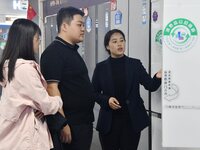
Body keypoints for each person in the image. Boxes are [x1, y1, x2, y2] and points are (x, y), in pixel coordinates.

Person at [92, 29, 162, 150]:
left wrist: (158, 77)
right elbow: (93, 93)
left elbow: (150, 85)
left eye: (122, 40)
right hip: (109, 122)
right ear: (107, 46)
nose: (119, 44)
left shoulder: (135, 64)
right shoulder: (101, 68)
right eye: (114, 41)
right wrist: (107, 100)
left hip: (131, 122)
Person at [0, 19, 63, 150]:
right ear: (26, 40)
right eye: (37, 38)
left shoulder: (9, 66)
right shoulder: (25, 69)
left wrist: (37, 106)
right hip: (26, 136)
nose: (39, 42)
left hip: (13, 134)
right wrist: (58, 100)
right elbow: (46, 104)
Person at [40, 7, 95, 150]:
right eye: (79, 24)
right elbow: (52, 88)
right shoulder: (53, 52)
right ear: (64, 26)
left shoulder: (71, 50)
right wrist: (62, 124)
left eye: (83, 25)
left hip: (82, 122)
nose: (83, 28)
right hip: (70, 124)